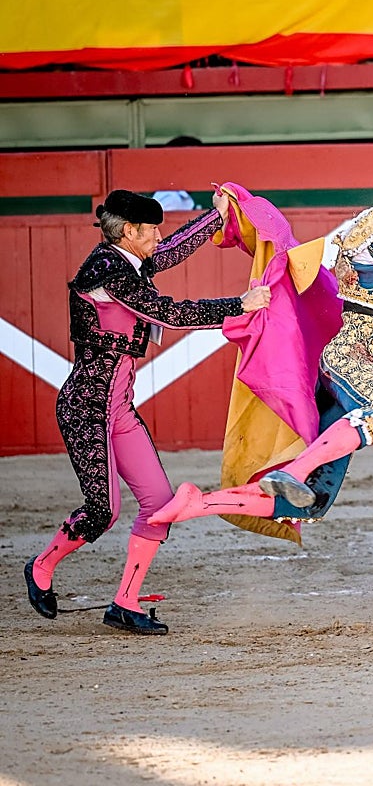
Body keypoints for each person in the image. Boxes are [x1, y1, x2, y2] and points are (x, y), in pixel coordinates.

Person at [150, 167, 373, 526]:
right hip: (350, 358)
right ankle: (295, 472)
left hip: (350, 374)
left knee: (312, 501)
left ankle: (197, 504)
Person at [23, 190, 271, 634]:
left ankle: (125, 601)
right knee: (103, 511)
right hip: (87, 405)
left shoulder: (127, 261)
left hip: (117, 405)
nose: (158, 235)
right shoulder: (105, 269)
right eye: (151, 229)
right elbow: (168, 313)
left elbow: (173, 249)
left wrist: (216, 218)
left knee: (158, 503)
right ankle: (41, 565)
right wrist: (240, 304)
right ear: (129, 232)